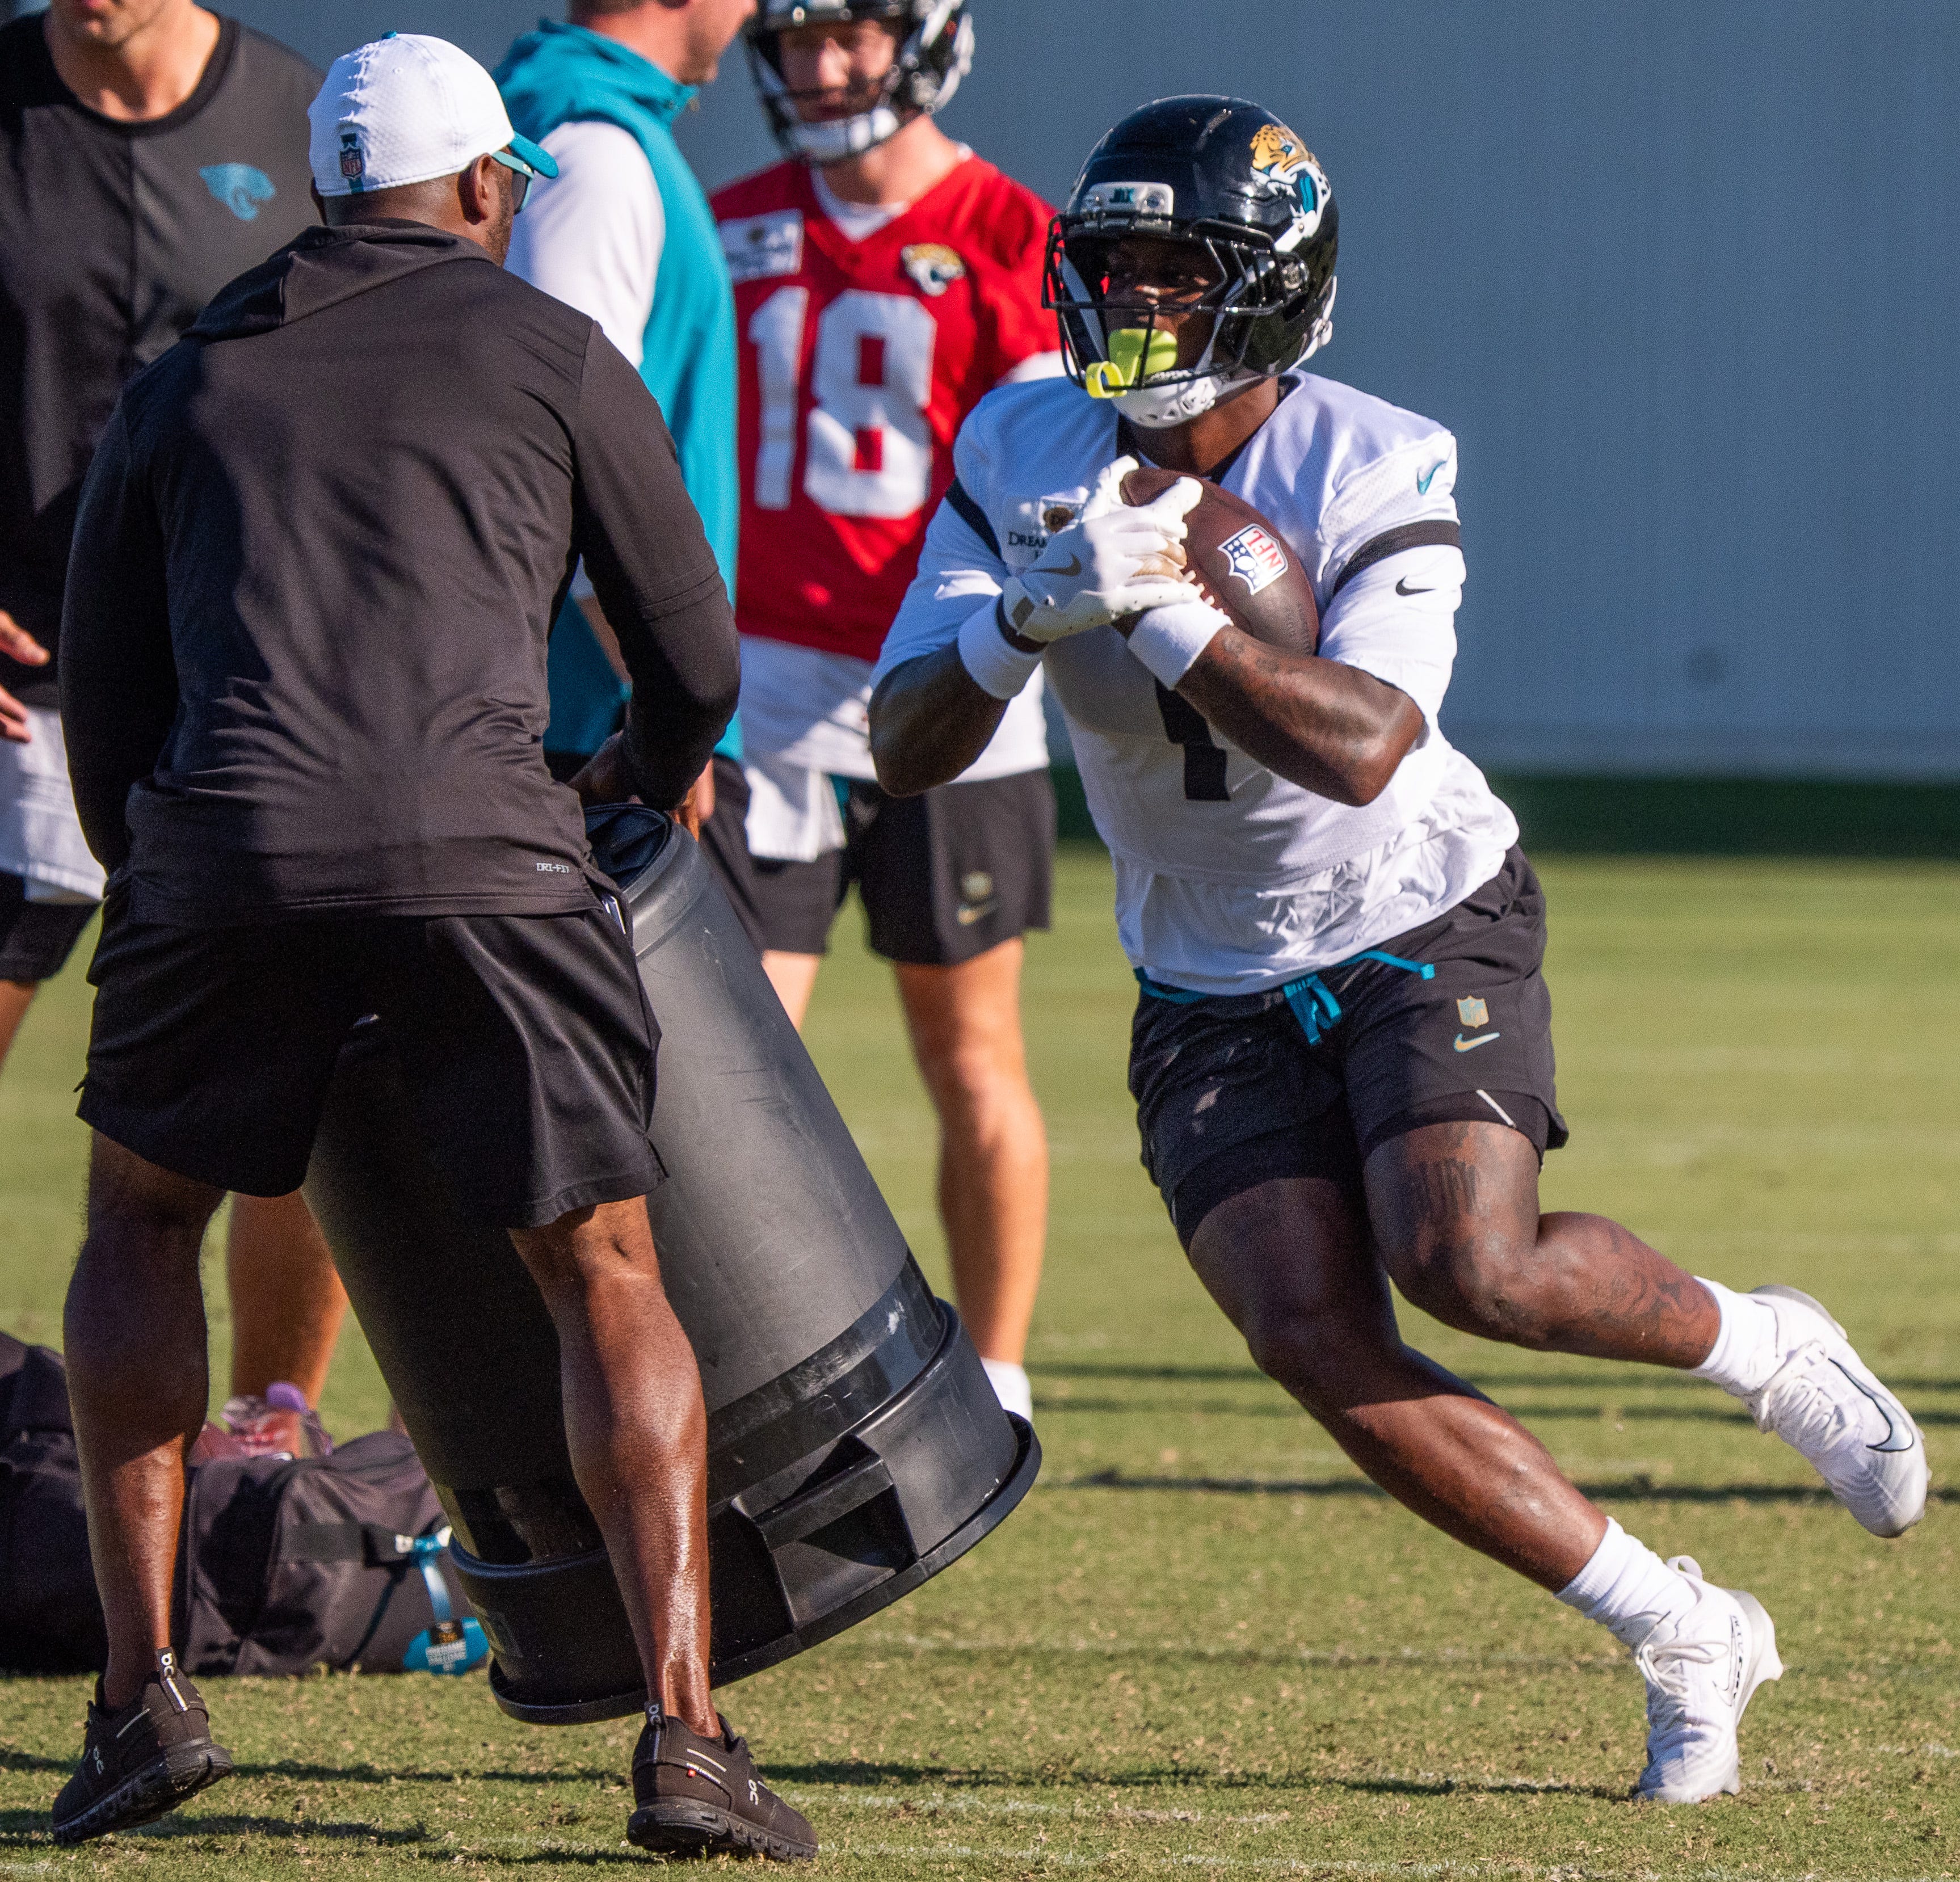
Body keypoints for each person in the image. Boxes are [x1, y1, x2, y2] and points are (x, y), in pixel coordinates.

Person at [868, 95, 1928, 1805]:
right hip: (1198, 963)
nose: (1131, 304)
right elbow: (901, 741)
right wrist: (1011, 623)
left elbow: (1366, 746)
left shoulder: (1373, 456)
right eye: (1110, 268)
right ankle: (1675, 1625)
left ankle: (1758, 1343)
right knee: (1307, 1332)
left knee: (1470, 1264)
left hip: (1411, 909)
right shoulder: (1015, 440)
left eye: (1174, 271)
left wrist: (1164, 613)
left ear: (1275, 288)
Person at [48, 35, 814, 1861]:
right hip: (490, 846)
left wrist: (163, 862)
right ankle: (685, 1731)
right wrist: (640, 772)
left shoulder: (188, 375)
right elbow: (693, 650)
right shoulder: (547, 349)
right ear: (480, 187)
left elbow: (107, 681)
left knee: (141, 1221)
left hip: (223, 845)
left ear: (326, 189)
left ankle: (140, 1698)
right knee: (601, 1267)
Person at [706, 0, 1060, 1422]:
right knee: (729, 1068)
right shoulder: (728, 224)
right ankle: (744, 1381)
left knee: (971, 1055)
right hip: (765, 688)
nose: (819, 67)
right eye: (794, 41)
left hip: (954, 679)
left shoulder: (1011, 235)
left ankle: (998, 1379)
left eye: (847, 33)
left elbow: (1045, 484)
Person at [0, 0, 350, 1439]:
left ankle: (269, 1440)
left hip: (247, 697)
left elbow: (375, 388)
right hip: (23, 699)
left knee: (306, 1102)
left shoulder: (301, 116)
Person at [496, 0, 752, 828]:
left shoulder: (561, 122)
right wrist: (666, 713)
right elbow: (569, 455)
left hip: (590, 704)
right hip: (594, 727)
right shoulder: (595, 149)